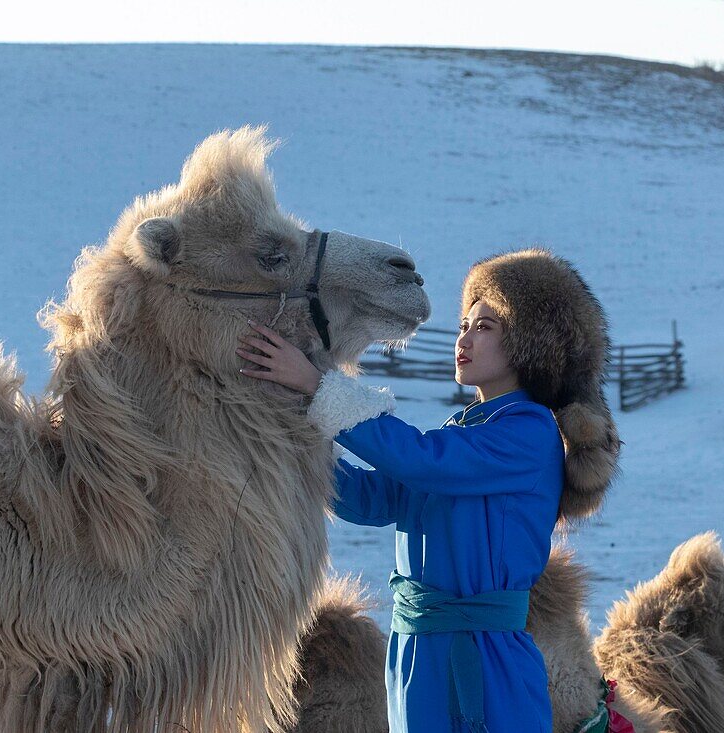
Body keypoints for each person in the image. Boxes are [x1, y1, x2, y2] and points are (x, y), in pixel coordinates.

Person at [237, 248, 619, 733]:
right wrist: (290, 432)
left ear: (529, 342)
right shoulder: (463, 430)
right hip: (415, 653)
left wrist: (318, 386)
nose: (464, 338)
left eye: (486, 327)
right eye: (464, 325)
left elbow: (420, 460)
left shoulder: (528, 433)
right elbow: (373, 498)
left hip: (482, 658)